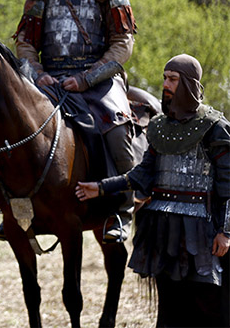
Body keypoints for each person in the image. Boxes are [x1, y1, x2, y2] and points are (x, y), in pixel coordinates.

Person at [0, 0, 137, 242]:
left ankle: (120, 212)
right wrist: (36, 72)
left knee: (117, 129)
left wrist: (86, 78)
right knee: (10, 124)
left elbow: (122, 46)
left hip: (98, 79)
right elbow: (26, 43)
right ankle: (9, 209)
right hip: (48, 78)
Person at [76, 54, 230, 327]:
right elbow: (142, 174)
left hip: (202, 231)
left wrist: (225, 232)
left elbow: (228, 185)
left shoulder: (215, 128)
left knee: (209, 308)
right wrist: (100, 188)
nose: (166, 84)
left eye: (173, 79)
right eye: (165, 78)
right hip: (162, 229)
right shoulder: (159, 127)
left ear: (189, 83)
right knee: (169, 309)